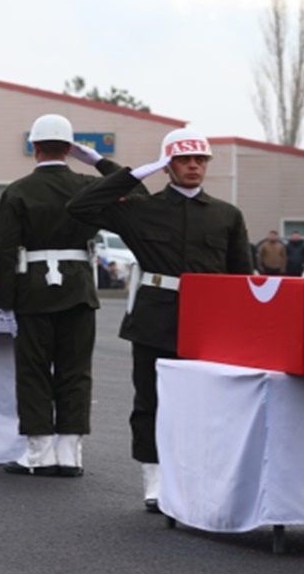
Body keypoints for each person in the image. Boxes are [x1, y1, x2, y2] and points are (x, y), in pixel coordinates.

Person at [69, 127, 252, 510]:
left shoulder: (226, 215)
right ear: (167, 166)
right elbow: (81, 206)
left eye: (200, 160)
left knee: (207, 404)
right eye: (184, 159)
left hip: (208, 320)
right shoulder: (141, 208)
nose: (193, 166)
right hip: (156, 315)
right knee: (151, 399)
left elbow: (241, 277)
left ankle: (200, 477)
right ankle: (154, 478)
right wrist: (132, 173)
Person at [0, 114, 125, 479]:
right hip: (79, 288)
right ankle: (70, 452)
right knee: (75, 370)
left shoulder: (17, 191)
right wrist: (97, 161)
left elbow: (1, 248)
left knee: (33, 371)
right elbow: (135, 191)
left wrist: (4, 298)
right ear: (69, 148)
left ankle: (39, 452)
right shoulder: (86, 185)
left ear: (34, 147)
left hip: (32, 290)